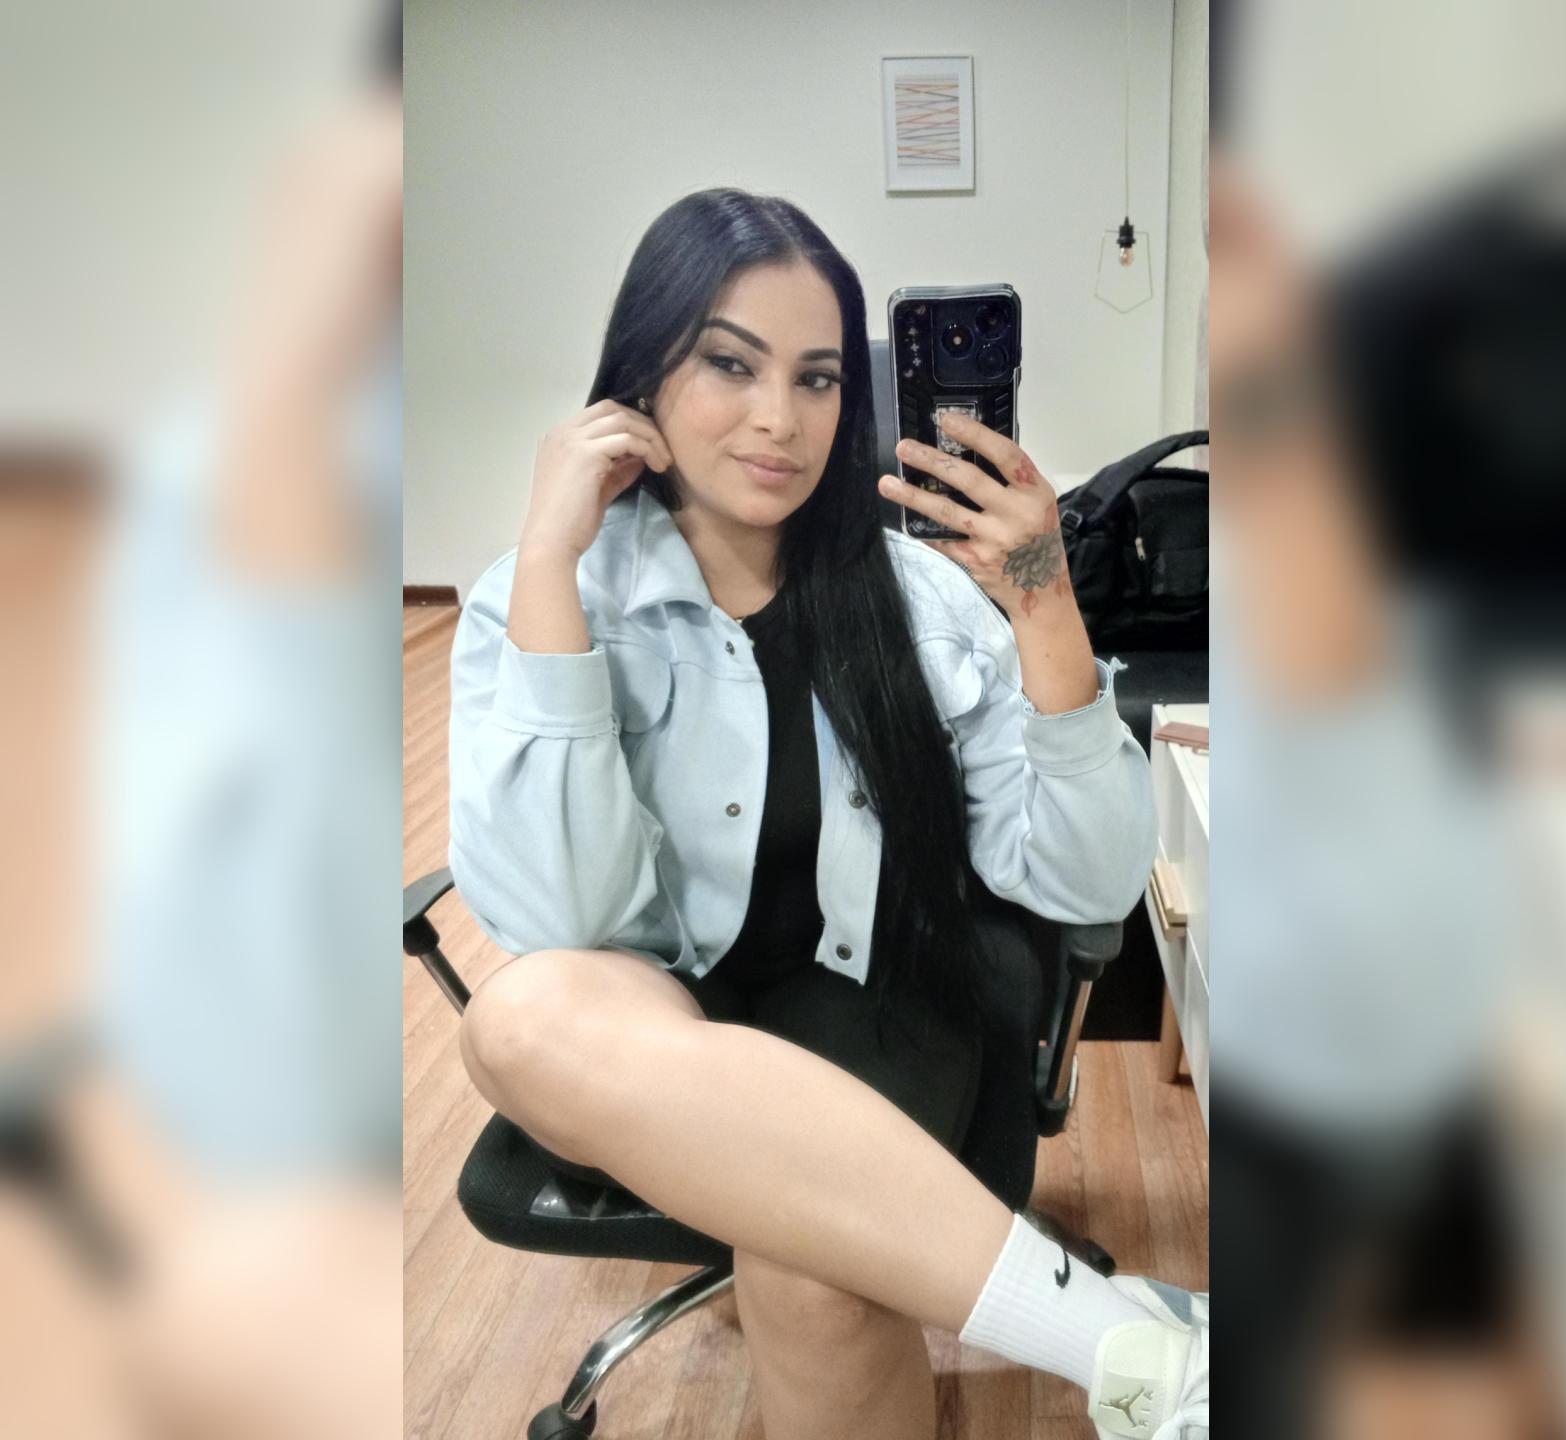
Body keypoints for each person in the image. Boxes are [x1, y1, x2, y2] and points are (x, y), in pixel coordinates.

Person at [448, 187, 1208, 1440]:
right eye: (729, 364)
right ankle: (1135, 1348)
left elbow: (1088, 888)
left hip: (887, 995)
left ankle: (1128, 1356)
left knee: (812, 1278)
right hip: (663, 1030)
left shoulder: (923, 601)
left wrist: (1042, 602)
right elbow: (566, 917)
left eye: (816, 379)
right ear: (639, 375)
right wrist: (546, 566)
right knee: (517, 1018)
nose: (779, 419)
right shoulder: (545, 600)